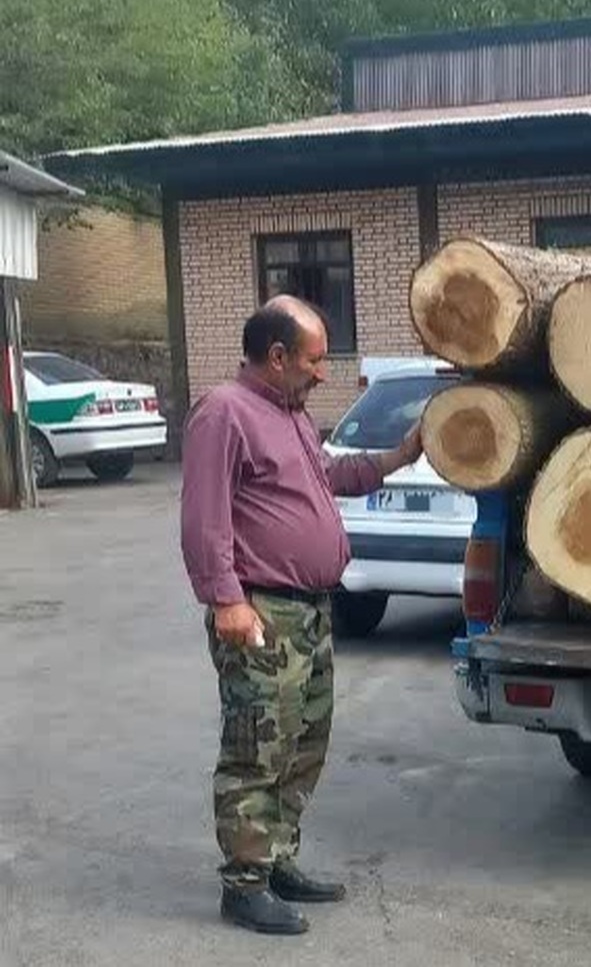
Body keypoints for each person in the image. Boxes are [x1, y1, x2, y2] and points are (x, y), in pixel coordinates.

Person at [180, 296, 422, 935]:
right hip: (263, 612)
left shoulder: (289, 415)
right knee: (256, 746)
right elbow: (204, 518)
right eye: (315, 360)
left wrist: (399, 456)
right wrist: (226, 598)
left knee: (303, 742)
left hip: (311, 614)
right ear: (277, 356)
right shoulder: (224, 413)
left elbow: (330, 479)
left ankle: (278, 856)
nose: (323, 372)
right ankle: (244, 882)